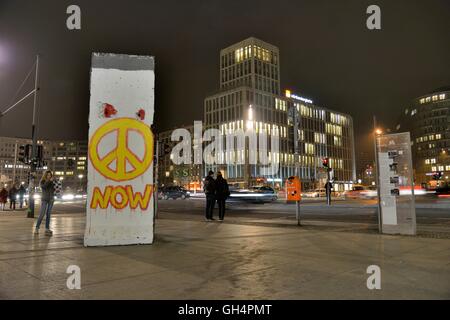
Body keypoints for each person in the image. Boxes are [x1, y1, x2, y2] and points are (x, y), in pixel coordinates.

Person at [35, 170, 55, 236]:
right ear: (45, 175)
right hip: (44, 199)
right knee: (42, 214)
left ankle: (47, 228)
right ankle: (37, 228)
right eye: (48, 175)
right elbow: (44, 187)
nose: (49, 176)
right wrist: (49, 181)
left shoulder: (52, 182)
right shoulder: (42, 181)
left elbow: (53, 190)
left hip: (51, 200)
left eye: (50, 175)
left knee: (48, 214)